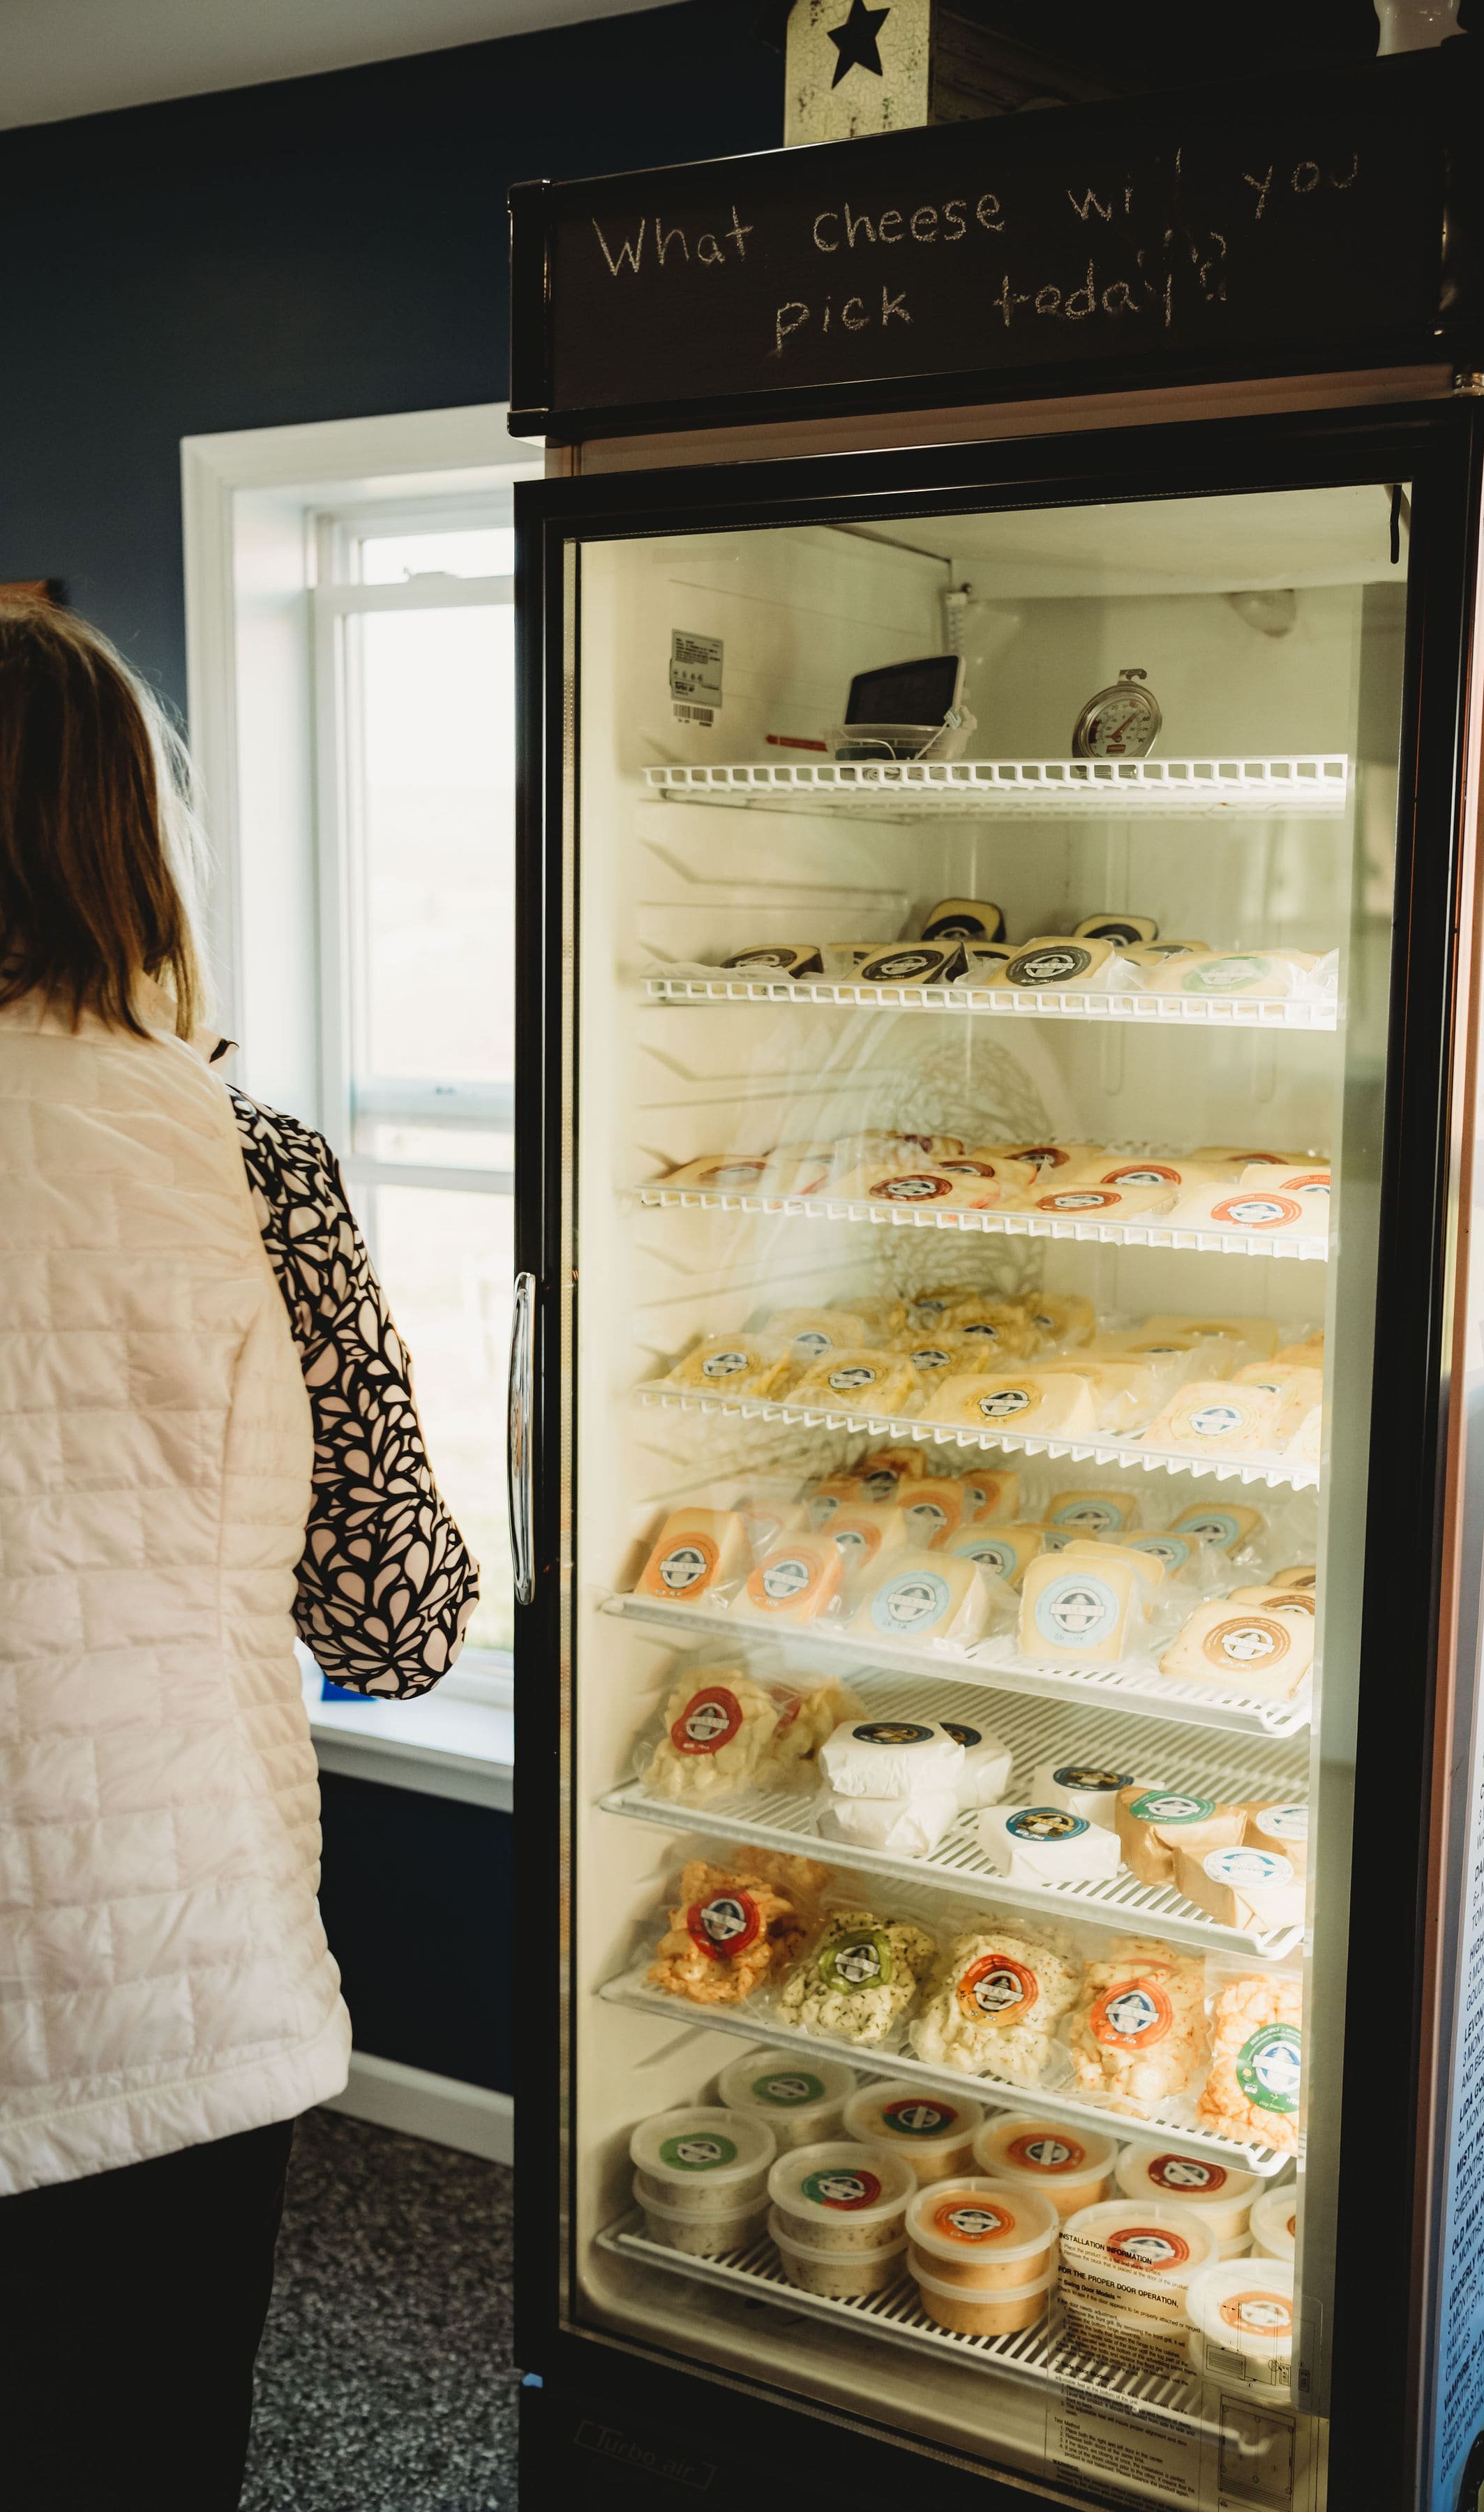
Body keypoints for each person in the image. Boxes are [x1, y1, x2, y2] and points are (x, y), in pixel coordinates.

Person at [0, 596, 479, 2506]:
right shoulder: (252, 1159)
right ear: (142, 842)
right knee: (138, 2444)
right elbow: (392, 1614)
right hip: (170, 1959)